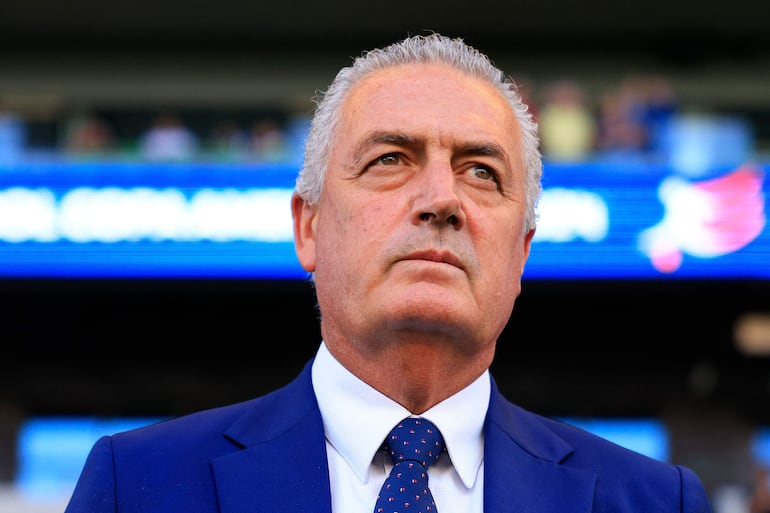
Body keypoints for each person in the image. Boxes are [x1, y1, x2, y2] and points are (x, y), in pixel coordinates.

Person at [64, 33, 713, 513]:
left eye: (482, 171)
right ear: (309, 227)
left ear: (521, 252)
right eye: (391, 159)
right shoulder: (138, 483)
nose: (442, 198)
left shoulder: (654, 499)